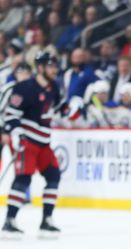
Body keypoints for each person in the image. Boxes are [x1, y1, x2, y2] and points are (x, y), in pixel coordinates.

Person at [2, 52, 82, 239]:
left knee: (53, 175)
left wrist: (72, 109)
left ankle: (47, 220)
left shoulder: (54, 87)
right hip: (27, 142)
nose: (54, 70)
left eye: (55, 66)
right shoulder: (24, 88)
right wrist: (16, 132)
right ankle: (9, 220)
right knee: (23, 179)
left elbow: (59, 108)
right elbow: (11, 115)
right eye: (51, 66)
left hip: (44, 142)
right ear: (40, 68)